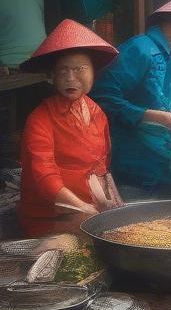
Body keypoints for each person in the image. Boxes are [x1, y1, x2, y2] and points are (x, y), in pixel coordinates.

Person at [92, 0, 171, 192]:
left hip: (166, 157)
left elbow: (167, 102)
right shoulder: (139, 48)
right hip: (135, 158)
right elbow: (103, 97)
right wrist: (154, 116)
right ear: (168, 19)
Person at [17, 20, 120, 236]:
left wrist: (108, 202)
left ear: (93, 72)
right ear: (52, 76)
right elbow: (44, 175)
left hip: (89, 210)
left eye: (79, 69)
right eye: (63, 71)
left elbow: (101, 165)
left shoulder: (96, 112)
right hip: (49, 219)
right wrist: (83, 209)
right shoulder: (40, 119)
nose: (70, 78)